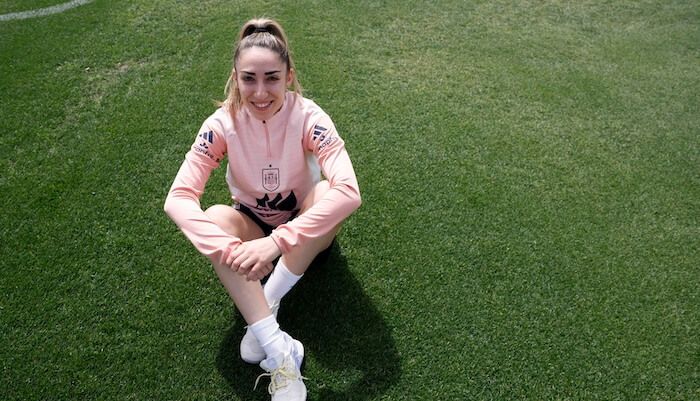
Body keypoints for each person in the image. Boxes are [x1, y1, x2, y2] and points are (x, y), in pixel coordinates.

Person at [163, 17, 361, 401]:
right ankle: (280, 351)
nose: (259, 92)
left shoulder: (310, 117)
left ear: (289, 77)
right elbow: (178, 198)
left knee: (326, 193)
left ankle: (265, 301)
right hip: (251, 224)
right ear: (235, 78)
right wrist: (228, 248)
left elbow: (349, 192)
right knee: (215, 218)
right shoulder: (221, 124)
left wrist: (275, 244)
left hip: (303, 227)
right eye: (248, 79)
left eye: (272, 78)